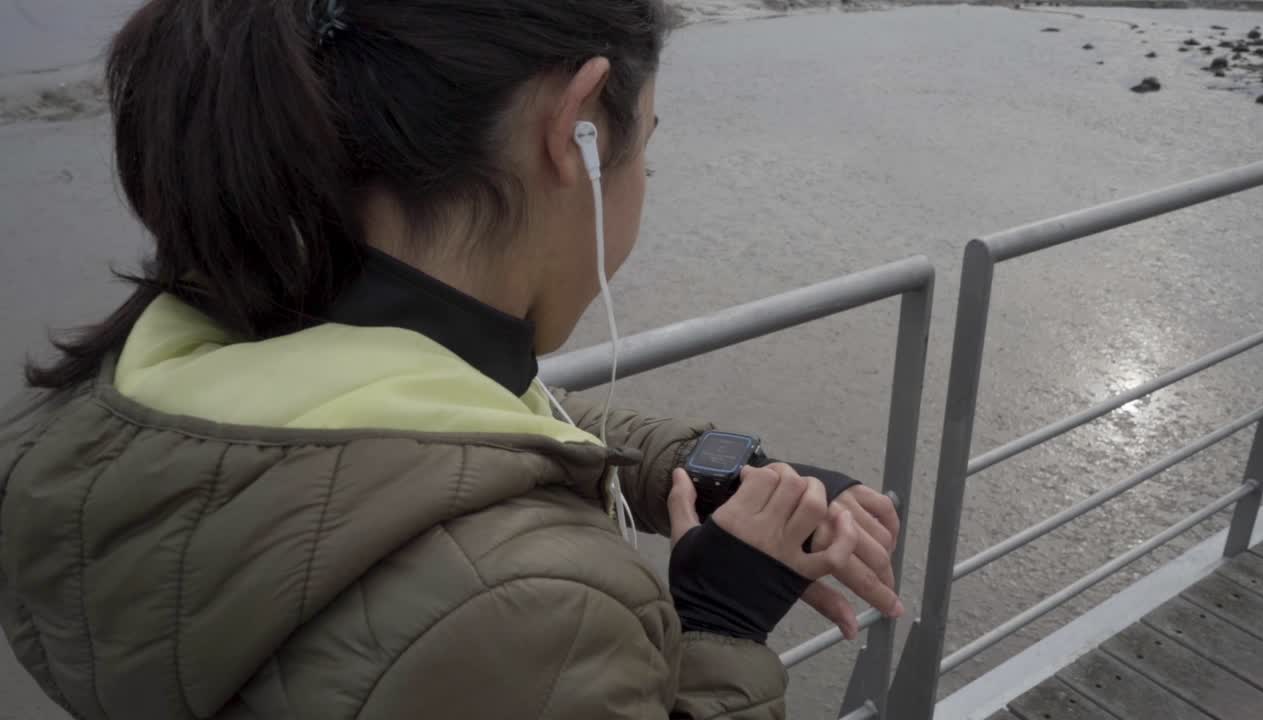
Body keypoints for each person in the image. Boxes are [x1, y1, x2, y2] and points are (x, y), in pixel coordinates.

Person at [0, 0, 903, 717]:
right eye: (646, 153)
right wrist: (720, 628)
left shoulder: (148, 385)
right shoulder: (536, 612)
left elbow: (408, 437)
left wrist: (702, 468)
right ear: (577, 126)